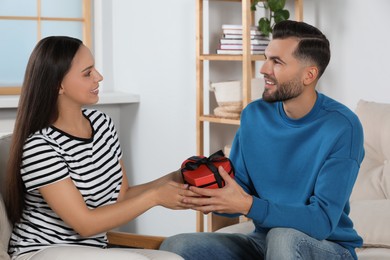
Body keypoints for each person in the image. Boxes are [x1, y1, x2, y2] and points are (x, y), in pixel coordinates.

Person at [160, 20, 364, 260]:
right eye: (267, 58)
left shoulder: (342, 127)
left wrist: (248, 206)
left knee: (283, 237)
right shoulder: (254, 115)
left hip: (326, 246)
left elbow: (321, 221)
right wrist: (210, 193)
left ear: (309, 75)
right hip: (265, 241)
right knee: (178, 245)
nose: (264, 69)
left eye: (277, 62)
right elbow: (240, 191)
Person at [4, 36, 190, 260]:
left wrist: (176, 177)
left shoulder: (103, 124)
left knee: (173, 259)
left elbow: (121, 197)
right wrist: (155, 197)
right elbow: (85, 224)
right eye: (87, 73)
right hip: (41, 251)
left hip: (92, 252)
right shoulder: (40, 147)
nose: (99, 77)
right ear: (58, 85)